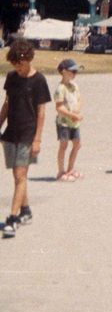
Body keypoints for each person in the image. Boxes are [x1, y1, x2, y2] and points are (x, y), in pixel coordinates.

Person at [0, 39, 52, 236]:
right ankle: (26, 210)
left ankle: (12, 218)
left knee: (21, 176)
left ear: (29, 59)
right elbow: (6, 104)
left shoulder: (39, 80)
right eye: (14, 64)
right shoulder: (11, 77)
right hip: (11, 132)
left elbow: (41, 112)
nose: (17, 68)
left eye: (20, 64)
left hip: (28, 133)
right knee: (17, 176)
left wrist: (37, 139)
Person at [54, 58, 83, 181]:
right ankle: (61, 171)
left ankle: (70, 169)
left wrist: (77, 109)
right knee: (63, 145)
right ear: (64, 71)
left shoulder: (74, 86)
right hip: (64, 123)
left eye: (76, 72)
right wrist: (71, 115)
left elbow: (80, 99)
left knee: (77, 144)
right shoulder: (60, 88)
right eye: (72, 71)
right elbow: (59, 107)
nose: (74, 74)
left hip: (74, 122)